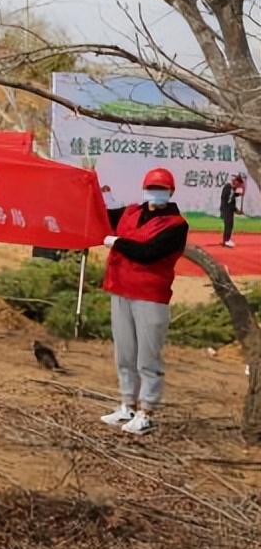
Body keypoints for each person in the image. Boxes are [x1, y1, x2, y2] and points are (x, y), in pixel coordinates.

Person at [100, 167, 189, 435]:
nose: (156, 192)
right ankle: (127, 404)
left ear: (171, 192)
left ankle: (146, 411)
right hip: (121, 290)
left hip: (151, 296)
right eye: (152, 187)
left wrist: (116, 242)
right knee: (125, 353)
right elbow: (102, 216)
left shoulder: (176, 225)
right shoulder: (131, 212)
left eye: (161, 188)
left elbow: (148, 253)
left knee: (147, 358)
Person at [220, 173, 245, 248]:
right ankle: (227, 240)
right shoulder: (229, 188)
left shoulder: (230, 188)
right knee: (229, 225)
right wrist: (237, 210)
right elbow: (230, 201)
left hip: (226, 209)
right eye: (238, 184)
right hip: (227, 209)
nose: (238, 186)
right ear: (236, 181)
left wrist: (239, 193)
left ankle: (226, 240)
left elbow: (233, 195)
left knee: (229, 225)